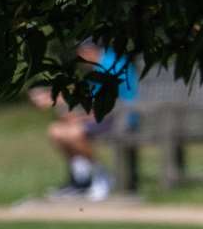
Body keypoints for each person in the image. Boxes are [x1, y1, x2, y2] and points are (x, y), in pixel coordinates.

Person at [27, 42, 139, 200]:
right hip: (109, 114)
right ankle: (80, 181)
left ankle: (101, 176)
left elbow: (109, 106)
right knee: (56, 131)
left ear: (89, 51)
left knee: (74, 132)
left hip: (122, 117)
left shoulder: (107, 66)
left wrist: (75, 113)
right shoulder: (100, 63)